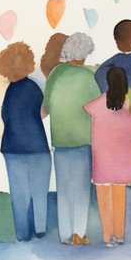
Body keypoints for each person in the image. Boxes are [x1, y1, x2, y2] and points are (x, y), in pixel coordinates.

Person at [43, 32, 100, 245]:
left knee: (64, 189)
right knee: (82, 189)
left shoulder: (56, 73)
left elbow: (47, 106)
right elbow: (96, 107)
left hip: (60, 139)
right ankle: (79, 232)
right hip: (82, 140)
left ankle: (65, 235)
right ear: (84, 54)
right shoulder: (88, 77)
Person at [0, 42, 51, 241]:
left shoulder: (9, 92)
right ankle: (40, 228)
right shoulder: (34, 89)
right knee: (39, 190)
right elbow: (42, 113)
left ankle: (22, 233)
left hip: (12, 147)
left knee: (19, 193)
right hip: (37, 146)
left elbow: (5, 116)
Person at [85, 66, 131, 246]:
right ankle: (119, 234)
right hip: (122, 162)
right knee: (120, 199)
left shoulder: (97, 104)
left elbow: (86, 108)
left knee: (104, 201)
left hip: (103, 162)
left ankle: (107, 237)